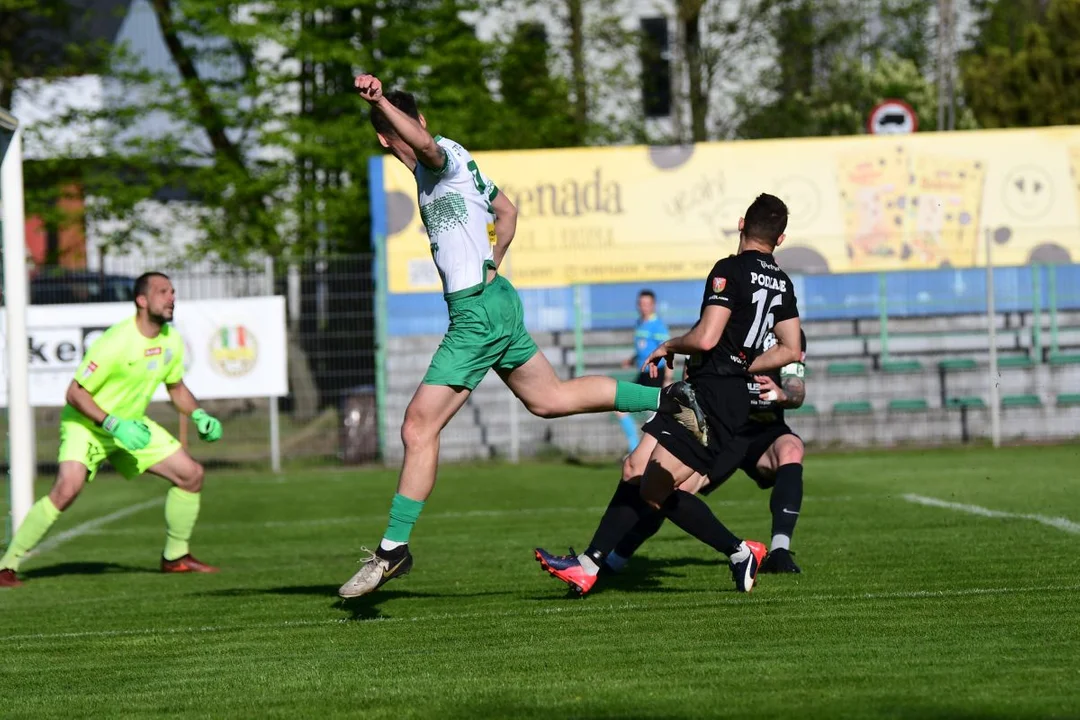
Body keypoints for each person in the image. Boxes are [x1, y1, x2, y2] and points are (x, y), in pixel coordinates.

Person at [338, 75, 707, 599]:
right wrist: (495, 261)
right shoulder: (437, 166)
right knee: (550, 399)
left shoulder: (439, 156)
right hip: (494, 301)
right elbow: (507, 211)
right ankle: (670, 398)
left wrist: (379, 102)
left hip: (477, 313)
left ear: (408, 127)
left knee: (418, 427)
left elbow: (425, 147)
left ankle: (393, 549)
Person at [536, 193, 802, 595]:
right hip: (712, 394)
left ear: (741, 223)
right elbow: (791, 349)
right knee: (637, 471)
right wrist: (744, 365)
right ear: (780, 239)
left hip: (710, 397)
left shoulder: (729, 269)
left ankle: (737, 551)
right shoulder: (782, 282)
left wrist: (671, 345)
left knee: (655, 486)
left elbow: (707, 337)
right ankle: (590, 565)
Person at [0, 272, 223, 588]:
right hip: (88, 425)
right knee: (67, 488)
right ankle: (6, 566)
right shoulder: (115, 341)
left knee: (191, 475)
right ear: (142, 300)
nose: (172, 298)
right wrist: (113, 424)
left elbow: (175, 387)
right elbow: (75, 393)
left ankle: (176, 557)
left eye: (172, 292)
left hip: (131, 424)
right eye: (163, 292)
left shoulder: (171, 340)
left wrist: (199, 414)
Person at [604, 330, 808, 577]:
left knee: (791, 449)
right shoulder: (717, 326)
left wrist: (782, 393)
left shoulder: (787, 332)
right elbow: (691, 382)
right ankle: (615, 558)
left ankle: (779, 552)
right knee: (668, 487)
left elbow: (796, 390)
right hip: (722, 426)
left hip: (763, 428)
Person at [615, 290, 672, 453]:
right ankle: (634, 449)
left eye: (647, 304)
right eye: (641, 303)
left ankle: (656, 453)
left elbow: (668, 351)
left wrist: (667, 378)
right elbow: (644, 349)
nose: (643, 307)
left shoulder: (658, 325)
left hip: (655, 374)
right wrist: (632, 359)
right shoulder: (639, 323)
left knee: (655, 416)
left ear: (653, 305)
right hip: (643, 373)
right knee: (620, 407)